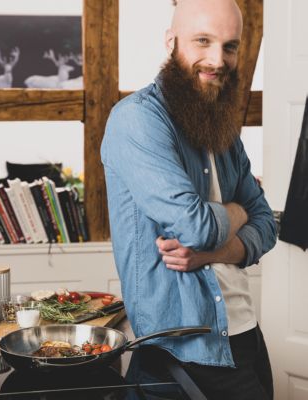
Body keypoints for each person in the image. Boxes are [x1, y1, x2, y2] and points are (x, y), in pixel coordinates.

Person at [101, 0, 277, 398]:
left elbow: (268, 225)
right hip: (183, 345)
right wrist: (237, 210)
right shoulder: (137, 120)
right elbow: (195, 227)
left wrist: (212, 253)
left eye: (229, 46)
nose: (217, 59)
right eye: (203, 41)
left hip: (244, 332)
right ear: (171, 42)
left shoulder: (223, 125)